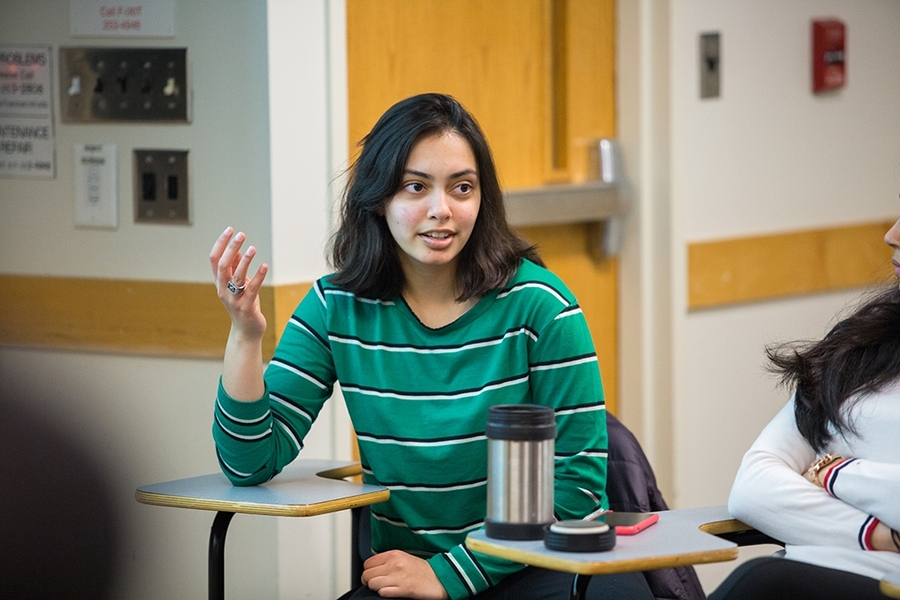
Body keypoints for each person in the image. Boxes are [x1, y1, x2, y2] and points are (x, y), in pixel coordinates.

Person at [208, 93, 653, 600]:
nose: (441, 210)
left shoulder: (541, 305)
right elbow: (248, 464)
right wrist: (245, 336)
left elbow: (576, 494)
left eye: (461, 188)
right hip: (410, 576)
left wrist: (452, 574)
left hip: (540, 567)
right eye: (416, 187)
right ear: (378, 198)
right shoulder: (335, 307)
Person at [709, 216, 900, 600]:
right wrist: (882, 533)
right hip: (801, 573)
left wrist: (832, 472)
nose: (891, 235)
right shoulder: (862, 343)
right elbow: (752, 488)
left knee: (764, 583)